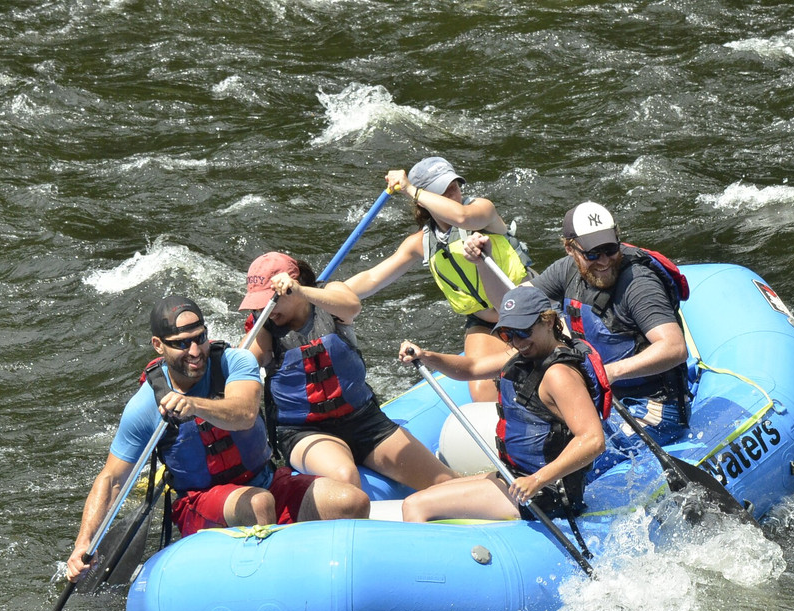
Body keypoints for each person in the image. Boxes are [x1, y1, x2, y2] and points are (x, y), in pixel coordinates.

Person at [66, 295, 370, 582]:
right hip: (201, 503)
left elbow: (245, 413)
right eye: (181, 344)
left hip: (265, 479)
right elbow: (112, 479)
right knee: (259, 504)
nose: (195, 351)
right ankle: (272, 586)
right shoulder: (145, 406)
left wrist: (195, 404)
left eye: (199, 337)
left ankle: (332, 579)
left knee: (351, 501)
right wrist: (84, 543)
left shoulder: (235, 363)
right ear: (158, 345)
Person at [468, 201, 690, 444]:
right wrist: (483, 264)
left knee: (571, 456)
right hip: (600, 399)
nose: (604, 261)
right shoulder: (566, 271)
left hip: (652, 405)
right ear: (569, 249)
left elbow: (674, 348)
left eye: (610, 249)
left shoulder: (639, 284)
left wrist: (609, 373)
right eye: (593, 254)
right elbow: (508, 306)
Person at [238, 252, 457, 494]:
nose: (264, 309)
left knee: (446, 482)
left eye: (269, 300)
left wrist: (301, 291)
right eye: (257, 303)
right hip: (303, 431)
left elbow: (352, 306)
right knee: (345, 476)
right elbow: (238, 369)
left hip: (363, 420)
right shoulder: (265, 329)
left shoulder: (329, 298)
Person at [396, 286, 608, 523]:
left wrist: (537, 480)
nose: (517, 342)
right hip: (516, 476)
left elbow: (593, 440)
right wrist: (425, 356)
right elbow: (471, 368)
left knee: (415, 505)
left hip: (544, 491)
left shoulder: (559, 374)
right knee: (431, 493)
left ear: (548, 322)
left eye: (524, 332)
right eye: (508, 334)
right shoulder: (526, 355)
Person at [345, 156, 532, 402]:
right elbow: (371, 278)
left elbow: (462, 217)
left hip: (528, 306)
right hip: (485, 321)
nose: (452, 194)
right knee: (481, 390)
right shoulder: (420, 243)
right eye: (441, 192)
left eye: (453, 186)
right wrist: (323, 293)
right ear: (424, 203)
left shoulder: (482, 211)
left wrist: (410, 188)